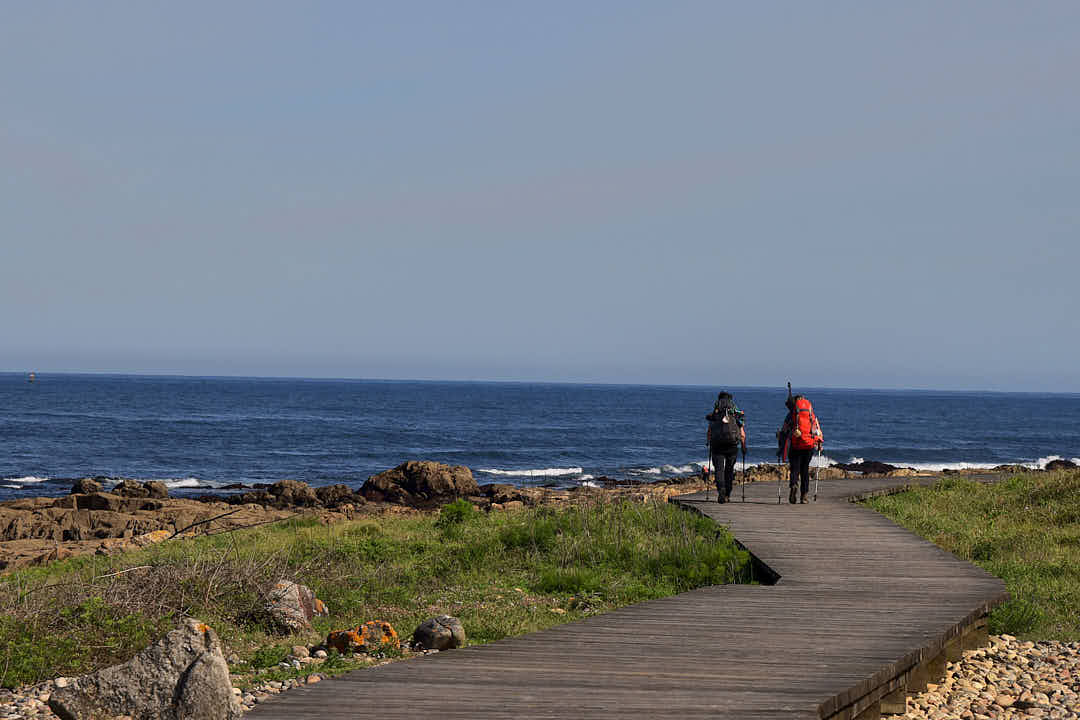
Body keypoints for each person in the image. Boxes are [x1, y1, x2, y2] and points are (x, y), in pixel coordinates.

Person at [776, 386, 823, 504]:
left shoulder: (791, 414)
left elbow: (784, 430)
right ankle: (804, 496)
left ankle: (793, 485)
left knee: (795, 468)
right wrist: (819, 443)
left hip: (795, 445)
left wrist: (780, 439)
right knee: (805, 470)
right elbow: (817, 430)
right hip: (808, 445)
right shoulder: (811, 414)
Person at [706, 392, 747, 503]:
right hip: (732, 445)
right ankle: (727, 494)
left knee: (719, 469)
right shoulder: (735, 413)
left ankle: (721, 489)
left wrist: (708, 442)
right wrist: (743, 446)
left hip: (717, 444)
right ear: (731, 400)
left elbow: (709, 431)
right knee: (729, 470)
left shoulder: (716, 412)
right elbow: (742, 433)